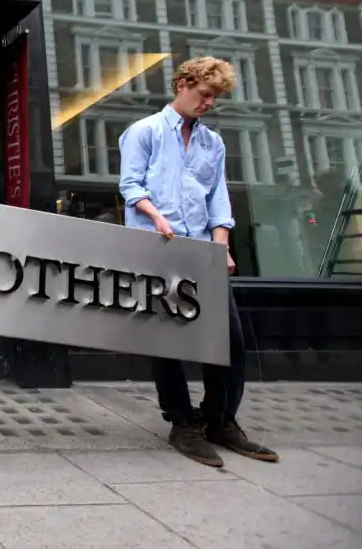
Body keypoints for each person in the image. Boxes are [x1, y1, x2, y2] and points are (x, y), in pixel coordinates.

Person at [118, 56, 278, 468]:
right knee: (167, 340)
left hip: (203, 249)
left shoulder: (213, 143)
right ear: (184, 83)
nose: (208, 104)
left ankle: (220, 420)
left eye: (214, 99)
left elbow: (218, 199)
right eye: (205, 95)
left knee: (229, 339)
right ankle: (182, 423)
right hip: (158, 249)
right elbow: (130, 185)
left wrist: (221, 245)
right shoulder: (145, 132)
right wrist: (156, 217)